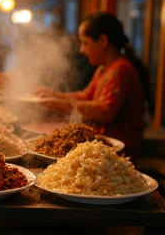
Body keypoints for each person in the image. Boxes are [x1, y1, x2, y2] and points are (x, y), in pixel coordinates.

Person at [35, 11, 150, 161]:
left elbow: (104, 112)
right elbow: (86, 95)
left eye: (85, 43)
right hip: (101, 150)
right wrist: (53, 95)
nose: (82, 50)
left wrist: (61, 104)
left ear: (102, 40)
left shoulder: (120, 70)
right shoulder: (104, 69)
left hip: (118, 155)